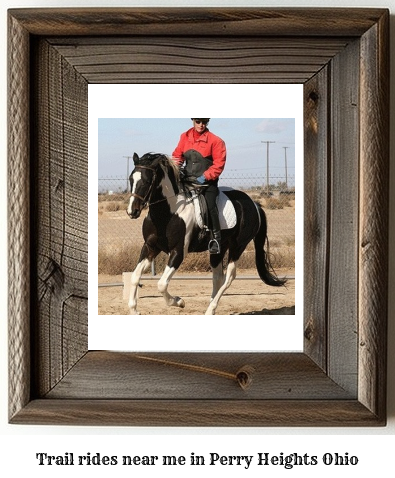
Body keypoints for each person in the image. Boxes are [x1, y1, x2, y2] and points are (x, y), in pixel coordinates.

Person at [172, 118, 227, 254]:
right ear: (193, 120)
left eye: (204, 121)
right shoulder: (184, 137)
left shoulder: (216, 141)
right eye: (198, 121)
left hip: (207, 183)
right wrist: (175, 168)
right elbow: (177, 156)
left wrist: (205, 177)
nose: (201, 124)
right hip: (187, 180)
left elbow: (219, 164)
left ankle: (216, 240)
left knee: (210, 206)